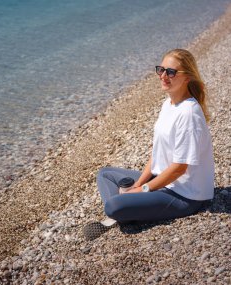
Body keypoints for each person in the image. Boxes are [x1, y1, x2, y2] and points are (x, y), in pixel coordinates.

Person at [84, 49, 214, 240]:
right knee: (105, 174)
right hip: (163, 182)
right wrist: (137, 185)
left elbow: (179, 168)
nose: (163, 76)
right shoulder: (168, 103)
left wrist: (144, 190)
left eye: (170, 72)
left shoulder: (189, 114)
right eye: (161, 69)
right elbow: (157, 153)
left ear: (187, 78)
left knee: (112, 207)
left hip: (184, 195)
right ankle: (131, 208)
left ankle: (125, 211)